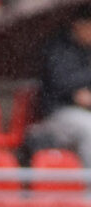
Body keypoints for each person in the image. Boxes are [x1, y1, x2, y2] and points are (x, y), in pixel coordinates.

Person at [38, 13, 91, 167]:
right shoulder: (58, 49)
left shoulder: (87, 51)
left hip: (84, 111)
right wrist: (76, 94)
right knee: (89, 128)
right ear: (78, 25)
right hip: (59, 113)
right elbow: (60, 83)